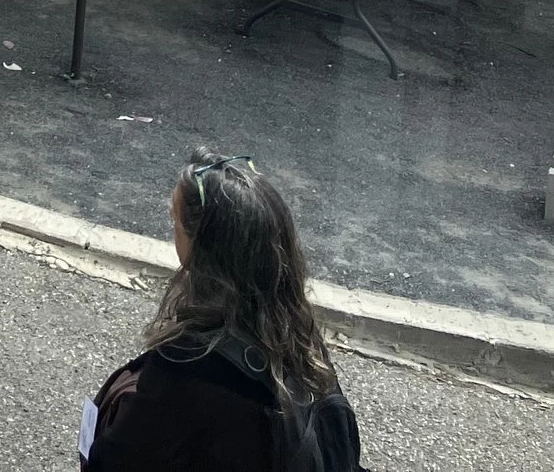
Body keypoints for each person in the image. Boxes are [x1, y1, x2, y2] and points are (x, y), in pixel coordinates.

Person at [79, 152, 366, 471]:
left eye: (174, 220)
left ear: (204, 250)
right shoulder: (301, 337)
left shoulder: (185, 368)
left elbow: (110, 460)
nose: (172, 226)